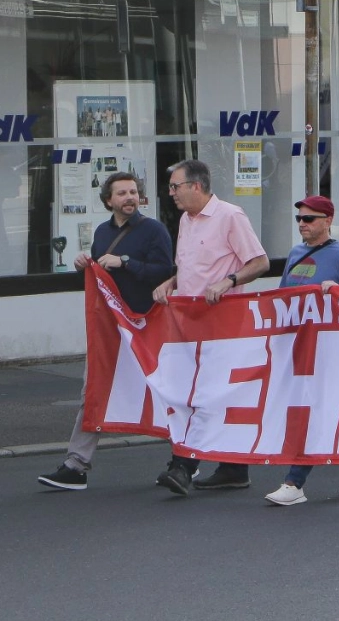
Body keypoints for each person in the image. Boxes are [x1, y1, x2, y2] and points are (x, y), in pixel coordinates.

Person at [37, 173, 174, 492]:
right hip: (111, 331)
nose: (129, 197)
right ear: (108, 200)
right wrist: (84, 263)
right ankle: (76, 465)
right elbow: (100, 274)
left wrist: (125, 261)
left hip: (146, 326)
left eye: (133, 192)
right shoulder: (101, 232)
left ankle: (184, 459)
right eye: (122, 193)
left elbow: (165, 272)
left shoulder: (153, 230)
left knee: (165, 394)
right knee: (94, 391)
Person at [150, 159, 270, 497]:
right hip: (188, 325)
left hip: (222, 324)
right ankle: (233, 468)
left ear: (196, 186)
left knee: (199, 396)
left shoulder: (230, 216)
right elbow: (193, 266)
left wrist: (228, 282)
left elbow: (259, 261)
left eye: (176, 186)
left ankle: (183, 466)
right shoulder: (187, 220)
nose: (171, 192)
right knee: (203, 395)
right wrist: (172, 282)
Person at [265, 196, 339, 507]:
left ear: (327, 221)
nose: (302, 223)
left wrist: (338, 291)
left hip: (331, 350)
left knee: (313, 412)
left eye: (309, 219)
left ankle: (294, 481)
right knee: (330, 411)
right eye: (299, 218)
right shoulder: (296, 252)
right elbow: (285, 295)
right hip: (301, 345)